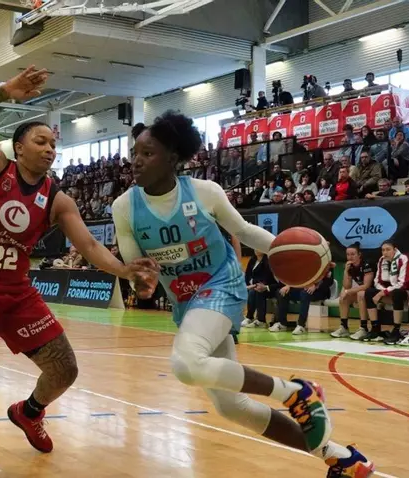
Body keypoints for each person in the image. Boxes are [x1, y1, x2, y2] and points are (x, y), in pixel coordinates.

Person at [113, 111, 374, 477]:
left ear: (172, 158)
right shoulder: (124, 207)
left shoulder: (204, 192)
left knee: (186, 364)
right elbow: (134, 268)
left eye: (147, 153)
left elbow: (246, 232)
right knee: (231, 406)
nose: (136, 161)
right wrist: (141, 282)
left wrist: (294, 254)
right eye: (134, 153)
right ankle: (339, 456)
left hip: (221, 284)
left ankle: (296, 392)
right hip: (186, 302)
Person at [0, 66, 157, 477]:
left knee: (65, 370)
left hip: (17, 292)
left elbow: (90, 247)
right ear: (18, 148)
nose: (49, 149)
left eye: (53, 144)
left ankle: (28, 412)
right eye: (40, 141)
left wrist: (125, 270)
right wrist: (5, 91)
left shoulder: (57, 199)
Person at [362, 241, 409, 343]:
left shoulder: (403, 259)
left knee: (397, 293)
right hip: (391, 290)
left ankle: (396, 331)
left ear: (395, 250)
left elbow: (403, 283)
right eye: (383, 250)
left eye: (388, 249)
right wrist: (383, 291)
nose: (385, 252)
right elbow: (377, 281)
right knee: (369, 292)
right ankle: (375, 329)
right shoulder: (381, 260)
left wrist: (383, 293)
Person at [333, 243, 374, 339]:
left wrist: (348, 291)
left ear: (359, 255)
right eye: (348, 254)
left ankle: (363, 328)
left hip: (373, 292)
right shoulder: (350, 266)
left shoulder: (366, 264)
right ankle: (344, 327)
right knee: (344, 298)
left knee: (360, 294)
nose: (350, 257)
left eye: (353, 254)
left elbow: (366, 286)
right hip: (363, 293)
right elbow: (347, 286)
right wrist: (346, 271)